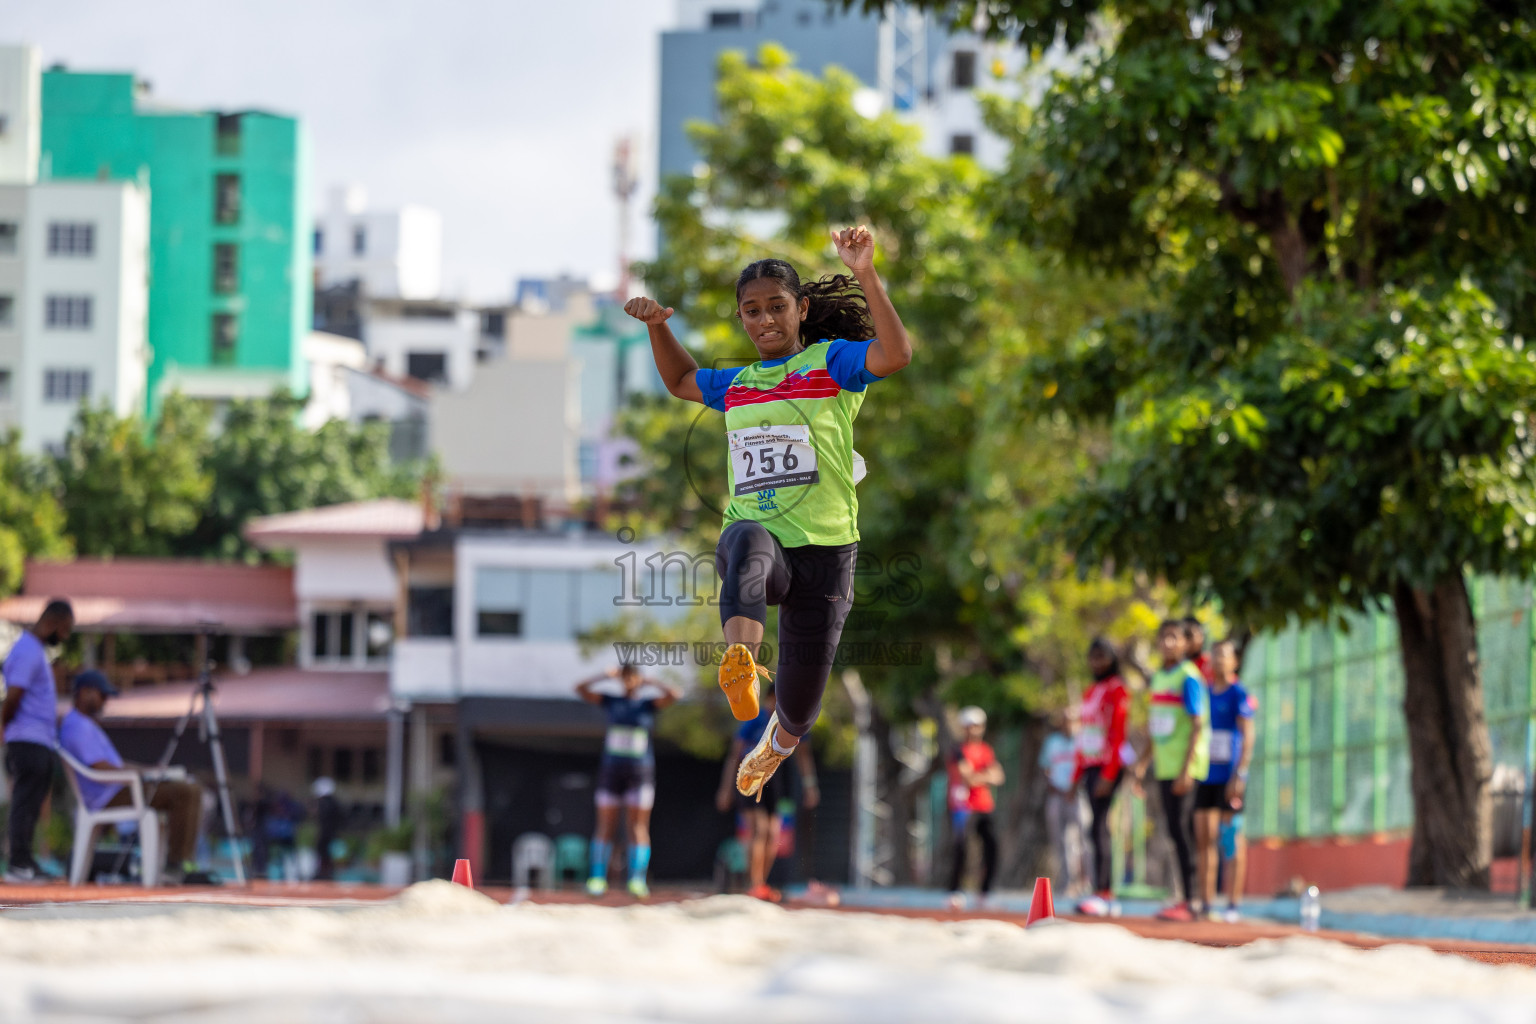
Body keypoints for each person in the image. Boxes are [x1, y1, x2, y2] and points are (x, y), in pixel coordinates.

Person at [624, 226, 912, 802]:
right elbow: (681, 380)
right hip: (762, 536)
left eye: (776, 308)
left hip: (828, 552)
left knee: (802, 709)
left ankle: (774, 745)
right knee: (747, 542)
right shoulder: (738, 386)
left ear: (801, 309)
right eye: (750, 312)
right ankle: (742, 663)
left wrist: (866, 273)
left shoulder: (832, 366)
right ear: (740, 319)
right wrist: (660, 326)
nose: (764, 321)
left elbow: (897, 354)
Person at [58, 669, 207, 885]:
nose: (105, 702)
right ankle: (176, 866)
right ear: (85, 693)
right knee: (187, 791)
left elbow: (115, 765)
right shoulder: (76, 726)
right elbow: (100, 768)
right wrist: (139, 775)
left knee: (185, 786)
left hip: (118, 789)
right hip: (109, 796)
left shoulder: (85, 725)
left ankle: (174, 864)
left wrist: (149, 771)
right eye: (103, 695)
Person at [576, 664, 682, 898]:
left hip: (640, 774)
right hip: (611, 773)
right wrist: (604, 674)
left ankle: (637, 879)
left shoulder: (646, 705)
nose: (629, 681)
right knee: (606, 826)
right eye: (625, 677)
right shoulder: (611, 701)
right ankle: (597, 878)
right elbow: (580, 689)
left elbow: (675, 694)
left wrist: (651, 682)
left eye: (633, 677)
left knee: (637, 826)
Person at [717, 689, 820, 902]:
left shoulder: (793, 721)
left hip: (775, 782)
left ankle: (760, 884)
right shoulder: (754, 721)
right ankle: (753, 884)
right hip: (750, 780)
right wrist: (726, 789)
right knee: (759, 830)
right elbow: (733, 757)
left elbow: (804, 756)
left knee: (773, 834)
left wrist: (810, 786)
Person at [2, 599, 73, 882]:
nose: (65, 637)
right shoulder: (28, 650)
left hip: (38, 739)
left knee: (32, 803)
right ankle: (19, 863)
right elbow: (14, 695)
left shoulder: (35, 651)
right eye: (65, 629)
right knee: (24, 800)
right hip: (26, 739)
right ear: (53, 622)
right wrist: (3, 725)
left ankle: (26, 860)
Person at [1148, 619, 1210, 922]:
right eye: (1163, 638)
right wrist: (1141, 762)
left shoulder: (1189, 677)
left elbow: (1197, 724)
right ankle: (1183, 897)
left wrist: (1187, 769)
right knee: (1173, 831)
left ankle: (1192, 900)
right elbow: (1156, 724)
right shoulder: (1159, 677)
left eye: (1174, 638)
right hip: (1164, 765)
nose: (1168, 643)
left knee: (1184, 832)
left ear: (1185, 643)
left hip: (1185, 767)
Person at [1195, 639, 1257, 922]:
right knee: (1204, 838)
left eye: (1225, 655)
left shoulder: (1239, 693)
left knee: (1232, 840)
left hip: (1229, 779)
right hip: (1205, 775)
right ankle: (1206, 902)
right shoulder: (1204, 693)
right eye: (1215, 655)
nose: (1218, 660)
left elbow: (1248, 736)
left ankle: (1233, 904)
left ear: (1234, 662)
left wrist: (1240, 774)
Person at [1074, 637, 1130, 916]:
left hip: (1108, 767)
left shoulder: (1117, 689)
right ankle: (1098, 889)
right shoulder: (1090, 691)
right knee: (1091, 828)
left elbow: (1119, 733)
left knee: (1099, 827)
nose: (1097, 662)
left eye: (1102, 656)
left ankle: (1105, 892)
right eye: (1092, 657)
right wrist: (1076, 773)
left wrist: (1110, 773)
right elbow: (1084, 735)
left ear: (1112, 658)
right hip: (1090, 766)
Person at [946, 706, 1004, 908]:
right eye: (970, 726)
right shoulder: (957, 750)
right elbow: (968, 777)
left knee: (992, 847)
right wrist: (985, 776)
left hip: (985, 805)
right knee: (962, 848)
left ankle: (985, 892)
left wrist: (980, 777)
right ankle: (955, 891)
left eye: (978, 726)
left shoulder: (986, 750)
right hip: (964, 806)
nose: (974, 730)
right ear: (964, 728)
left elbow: (999, 776)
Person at [1039, 709, 1087, 899]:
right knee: (1061, 841)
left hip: (1078, 796)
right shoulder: (1052, 742)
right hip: (1057, 795)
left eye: (1073, 720)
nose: (1069, 724)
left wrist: (1074, 788)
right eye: (1065, 721)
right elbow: (1045, 767)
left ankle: (1087, 882)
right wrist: (1053, 784)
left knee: (1084, 839)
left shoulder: (1083, 741)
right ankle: (1067, 883)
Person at [312, 777, 341, 881]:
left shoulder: (324, 803)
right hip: (331, 832)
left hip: (325, 832)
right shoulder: (334, 802)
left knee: (323, 852)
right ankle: (326, 872)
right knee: (326, 853)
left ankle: (324, 873)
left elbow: (322, 817)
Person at [1183, 616, 1210, 681]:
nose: (1185, 640)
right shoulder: (1172, 666)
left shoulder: (1209, 665)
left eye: (1189, 635)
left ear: (1201, 636)